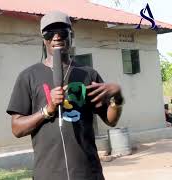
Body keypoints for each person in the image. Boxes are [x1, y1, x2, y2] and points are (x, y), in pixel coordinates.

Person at [7, 11, 124, 180]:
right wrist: (48, 109)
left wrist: (117, 99)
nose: (56, 37)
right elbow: (17, 128)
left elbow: (110, 120)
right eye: (49, 33)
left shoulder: (88, 75)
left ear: (71, 35)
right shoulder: (28, 76)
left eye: (62, 32)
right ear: (43, 38)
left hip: (87, 173)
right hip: (48, 174)